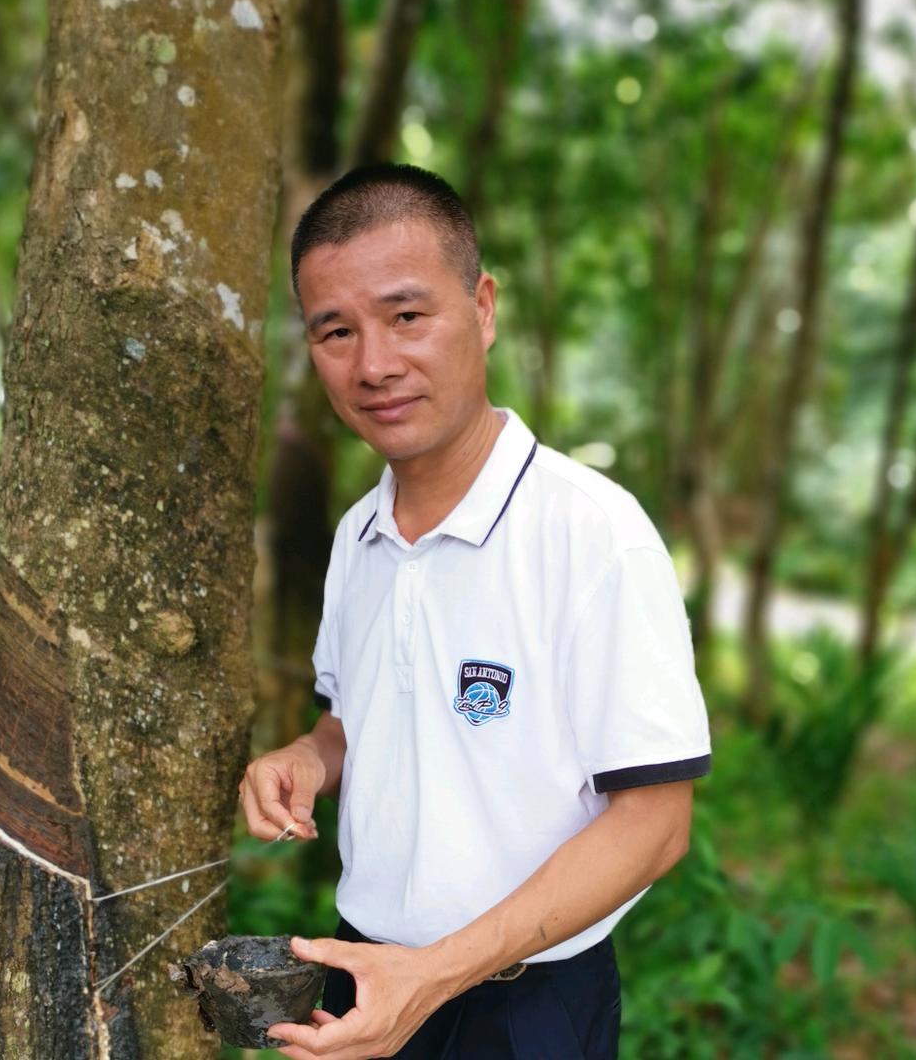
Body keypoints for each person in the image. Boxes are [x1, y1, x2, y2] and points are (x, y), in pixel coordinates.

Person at [238, 162, 713, 1060]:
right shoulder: (359, 537)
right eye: (336, 331)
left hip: (522, 1005)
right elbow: (352, 723)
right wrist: (305, 758)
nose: (374, 364)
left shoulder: (591, 533)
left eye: (407, 316)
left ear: (483, 308)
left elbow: (655, 823)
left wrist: (437, 974)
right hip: (363, 975)